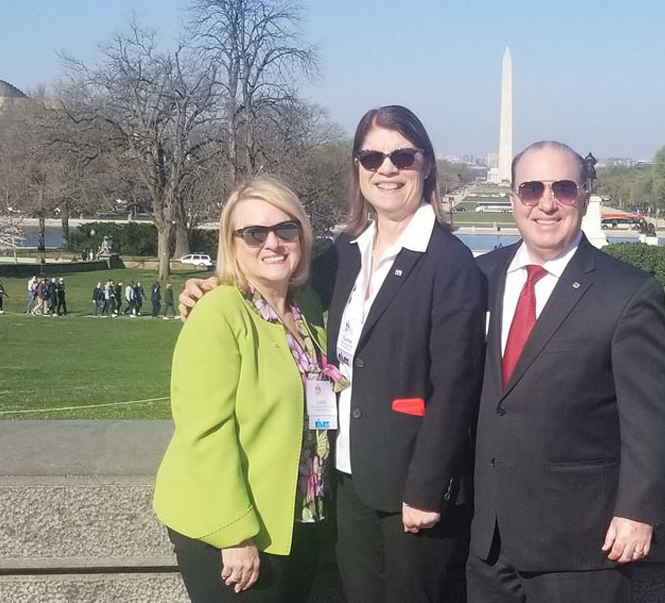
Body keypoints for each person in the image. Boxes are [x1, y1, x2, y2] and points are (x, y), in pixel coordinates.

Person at [180, 105, 487, 603]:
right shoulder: (347, 251)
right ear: (358, 168)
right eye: (371, 157)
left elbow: (457, 384)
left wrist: (428, 488)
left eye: (402, 156)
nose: (386, 169)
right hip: (348, 483)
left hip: (410, 490)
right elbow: (275, 270)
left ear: (426, 165)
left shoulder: (449, 264)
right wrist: (213, 283)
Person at [467, 141, 665, 603]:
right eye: (531, 189)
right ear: (512, 199)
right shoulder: (477, 277)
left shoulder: (628, 293)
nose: (546, 203)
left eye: (562, 188)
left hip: (582, 545)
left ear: (583, 197)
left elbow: (652, 416)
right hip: (487, 540)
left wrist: (638, 511)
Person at [154, 178, 335, 603]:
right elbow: (205, 432)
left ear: (302, 235)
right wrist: (233, 533)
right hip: (235, 529)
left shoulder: (305, 308)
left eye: (285, 229)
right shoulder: (218, 312)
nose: (272, 242)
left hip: (298, 517)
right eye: (254, 233)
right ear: (231, 243)